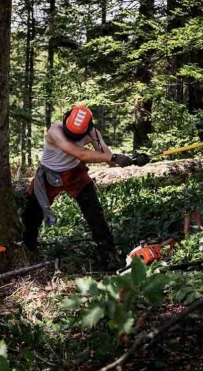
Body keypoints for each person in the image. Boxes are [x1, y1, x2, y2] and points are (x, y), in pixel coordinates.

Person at [22, 105, 150, 269]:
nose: (73, 137)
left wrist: (131, 160)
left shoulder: (93, 134)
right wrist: (113, 157)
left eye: (76, 136)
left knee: (94, 213)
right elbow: (80, 154)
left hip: (75, 174)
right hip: (49, 175)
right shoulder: (55, 130)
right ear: (65, 120)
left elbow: (110, 161)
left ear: (87, 129)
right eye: (70, 134)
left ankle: (108, 255)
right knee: (32, 212)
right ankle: (27, 247)